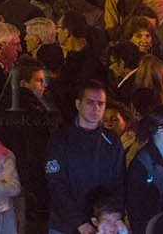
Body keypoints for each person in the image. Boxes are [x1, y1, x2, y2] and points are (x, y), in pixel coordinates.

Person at [46, 82, 126, 234]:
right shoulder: (60, 140)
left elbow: (119, 183)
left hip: (101, 224)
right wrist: (78, 221)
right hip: (65, 224)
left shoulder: (112, 141)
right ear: (78, 104)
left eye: (100, 104)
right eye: (90, 102)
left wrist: (112, 219)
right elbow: (56, 184)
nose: (95, 108)